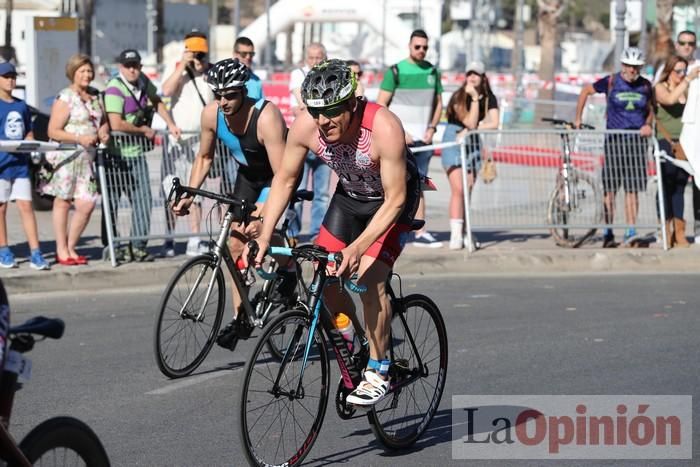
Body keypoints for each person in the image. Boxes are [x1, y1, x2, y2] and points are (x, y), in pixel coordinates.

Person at [246, 59, 421, 406]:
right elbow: (285, 178)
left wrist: (357, 249)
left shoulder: (383, 126)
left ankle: (379, 368)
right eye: (317, 112)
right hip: (351, 199)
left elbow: (396, 198)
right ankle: (356, 341)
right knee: (323, 277)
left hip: (392, 202)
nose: (324, 121)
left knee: (371, 279)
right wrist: (265, 234)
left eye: (333, 111)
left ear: (353, 104)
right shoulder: (307, 127)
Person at [172, 58, 287, 351]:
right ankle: (241, 316)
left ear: (243, 91)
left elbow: (283, 174)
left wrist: (264, 214)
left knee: (260, 232)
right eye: (218, 95)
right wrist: (189, 193)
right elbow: (204, 158)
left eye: (230, 95)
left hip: (276, 177)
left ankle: (289, 270)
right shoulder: (211, 115)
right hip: (248, 177)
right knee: (234, 244)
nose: (223, 101)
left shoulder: (266, 116)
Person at [102, 49, 181, 262]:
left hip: (137, 154)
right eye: (128, 66)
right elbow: (115, 123)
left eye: (135, 65)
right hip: (115, 156)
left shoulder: (144, 82)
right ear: (121, 67)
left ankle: (138, 245)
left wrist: (171, 124)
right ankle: (114, 246)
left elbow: (157, 101)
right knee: (112, 203)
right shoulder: (114, 88)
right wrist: (143, 131)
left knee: (144, 199)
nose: (132, 69)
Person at [574, 47, 654, 248]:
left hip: (636, 142)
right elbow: (586, 91)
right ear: (622, 65)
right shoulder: (611, 81)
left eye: (636, 67)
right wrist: (577, 118)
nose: (632, 71)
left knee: (632, 190)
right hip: (614, 141)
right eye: (628, 66)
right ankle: (608, 231)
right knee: (610, 189)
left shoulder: (646, 86)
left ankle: (631, 231)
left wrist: (647, 124)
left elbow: (652, 110)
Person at [377, 29, 443, 248]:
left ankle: (420, 230)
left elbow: (438, 103)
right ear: (409, 46)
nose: (421, 51)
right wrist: (399, 132)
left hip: (424, 139)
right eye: (417, 47)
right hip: (399, 140)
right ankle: (385, 228)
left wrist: (432, 128)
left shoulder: (433, 71)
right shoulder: (395, 71)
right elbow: (381, 104)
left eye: (425, 47)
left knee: (420, 183)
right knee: (392, 183)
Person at [41, 54, 109, 265]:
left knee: (87, 204)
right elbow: (53, 130)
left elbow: (103, 121)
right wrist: (79, 138)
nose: (87, 75)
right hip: (67, 158)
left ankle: (71, 246)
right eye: (82, 71)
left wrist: (104, 131)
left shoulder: (96, 96)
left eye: (89, 71)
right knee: (62, 202)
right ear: (73, 73)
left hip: (87, 161)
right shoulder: (65, 97)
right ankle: (62, 250)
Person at [161, 31, 214, 257]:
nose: (199, 58)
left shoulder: (212, 72)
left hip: (200, 140)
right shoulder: (177, 69)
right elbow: (165, 91)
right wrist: (183, 64)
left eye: (202, 53)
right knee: (170, 189)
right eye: (195, 53)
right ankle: (169, 238)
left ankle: (194, 238)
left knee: (196, 192)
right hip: (177, 141)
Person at [441, 61, 499, 250]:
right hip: (454, 138)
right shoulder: (459, 96)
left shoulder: (490, 97)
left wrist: (476, 128)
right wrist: (474, 99)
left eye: (476, 74)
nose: (472, 77)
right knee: (458, 188)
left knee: (469, 188)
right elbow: (470, 122)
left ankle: (466, 231)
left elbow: (494, 123)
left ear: (483, 77)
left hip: (472, 140)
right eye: (469, 73)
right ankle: (456, 235)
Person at [0, 62, 50, 270]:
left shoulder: (21, 105)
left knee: (26, 207)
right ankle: (4, 250)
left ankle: (36, 252)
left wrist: (31, 144)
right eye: (6, 77)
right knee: (1, 208)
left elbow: (28, 131)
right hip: (1, 166)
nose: (10, 80)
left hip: (20, 165)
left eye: (13, 76)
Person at [287, 42, 331, 244]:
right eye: (312, 57)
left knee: (321, 194)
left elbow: (306, 108)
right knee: (297, 191)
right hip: (304, 141)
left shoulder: (330, 75)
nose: (315, 62)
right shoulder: (298, 74)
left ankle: (316, 234)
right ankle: (292, 234)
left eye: (319, 57)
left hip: (326, 143)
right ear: (306, 58)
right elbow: (301, 103)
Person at [655, 56, 700, 248]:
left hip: (683, 144)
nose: (681, 75)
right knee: (666, 185)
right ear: (669, 71)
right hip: (664, 141)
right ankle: (666, 228)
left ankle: (680, 230)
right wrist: (689, 79)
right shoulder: (660, 87)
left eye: (684, 71)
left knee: (680, 187)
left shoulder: (688, 90)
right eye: (678, 71)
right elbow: (669, 99)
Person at [234, 36, 264, 101]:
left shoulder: (257, 80)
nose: (248, 57)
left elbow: (262, 106)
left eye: (251, 54)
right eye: (244, 54)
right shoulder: (225, 79)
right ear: (235, 54)